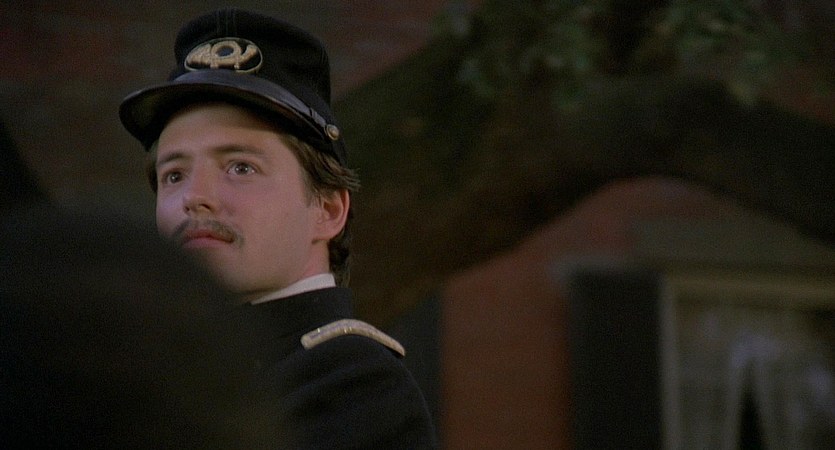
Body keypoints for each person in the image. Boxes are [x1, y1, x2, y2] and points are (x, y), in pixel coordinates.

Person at [119, 8, 437, 448]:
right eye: (174, 175)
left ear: (328, 210)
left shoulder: (357, 387)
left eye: (240, 167)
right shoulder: (148, 374)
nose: (194, 196)